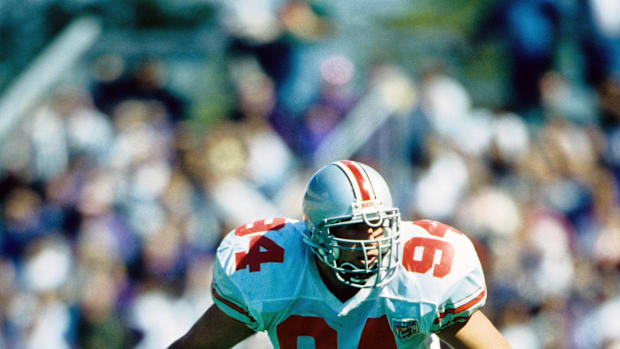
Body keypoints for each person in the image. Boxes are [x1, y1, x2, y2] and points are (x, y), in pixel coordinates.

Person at [169, 160, 511, 348]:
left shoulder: (421, 275)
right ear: (316, 233)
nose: (370, 240)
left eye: (377, 224)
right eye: (352, 229)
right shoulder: (273, 270)